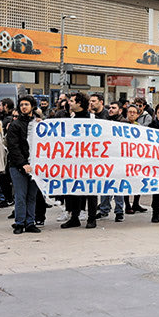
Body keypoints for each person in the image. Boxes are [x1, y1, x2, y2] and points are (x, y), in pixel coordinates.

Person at [61, 93, 99, 229]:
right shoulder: (69, 118)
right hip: (74, 161)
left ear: (79, 103)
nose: (69, 103)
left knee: (91, 190)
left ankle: (92, 218)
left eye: (71, 101)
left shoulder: (94, 119)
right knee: (73, 189)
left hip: (90, 161)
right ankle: (74, 217)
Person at [7, 96, 41, 234]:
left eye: (26, 104)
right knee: (20, 195)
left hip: (35, 166)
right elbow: (13, 147)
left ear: (32, 106)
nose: (24, 107)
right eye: (21, 105)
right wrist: (23, 164)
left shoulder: (39, 123)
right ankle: (19, 223)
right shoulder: (15, 125)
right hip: (17, 166)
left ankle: (30, 222)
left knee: (32, 196)